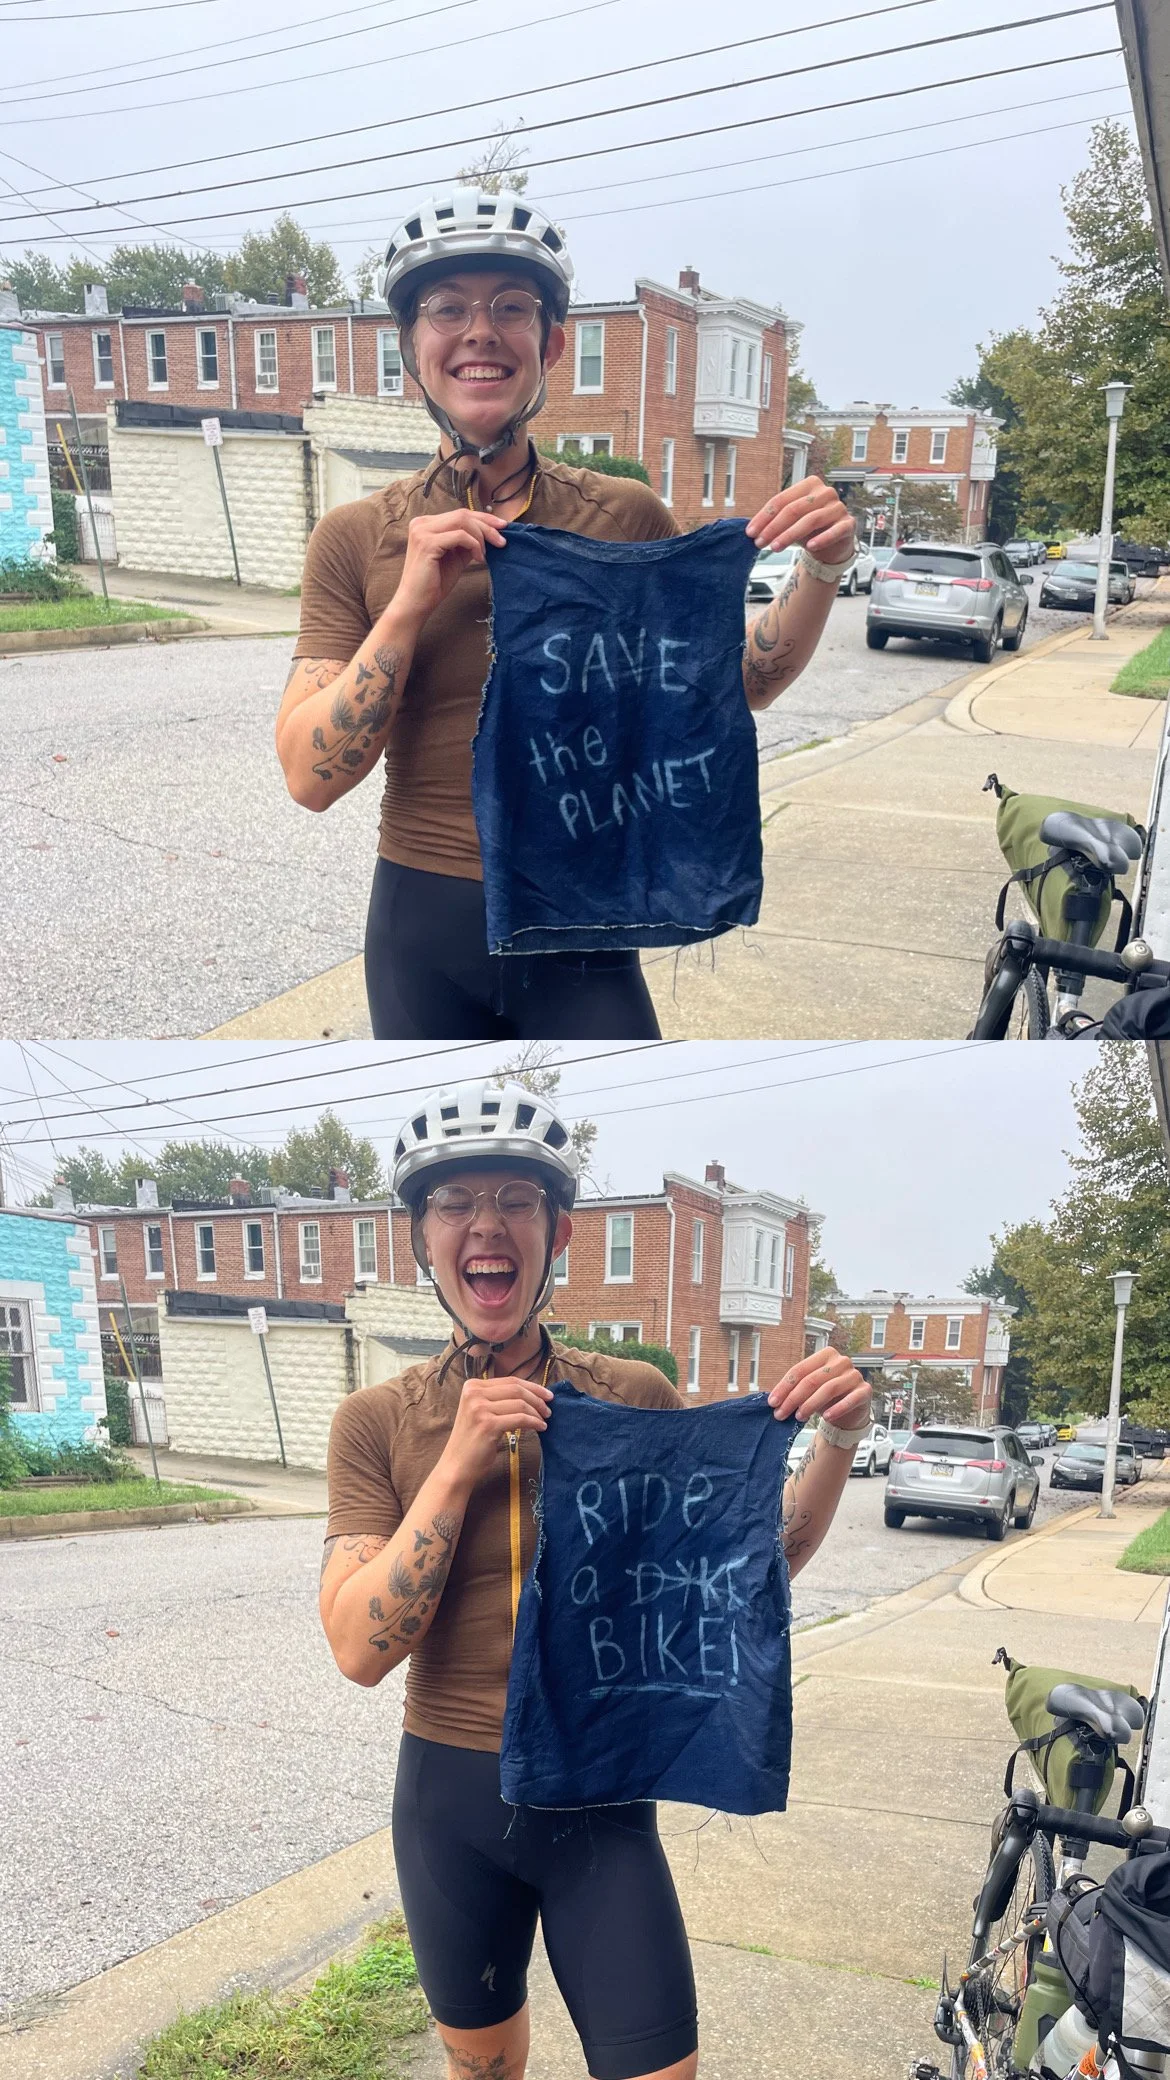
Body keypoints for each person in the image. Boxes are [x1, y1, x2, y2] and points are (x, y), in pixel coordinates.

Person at [319, 1078, 872, 2080]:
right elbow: (360, 1647)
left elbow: (750, 1566)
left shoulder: (632, 1395)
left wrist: (834, 1441)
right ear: (420, 1236)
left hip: (603, 1790)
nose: (485, 1222)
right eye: (454, 1202)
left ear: (558, 1231)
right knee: (484, 2068)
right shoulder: (378, 1420)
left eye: (515, 1201)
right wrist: (458, 1461)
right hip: (451, 1797)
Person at [277, 188, 857, 1042]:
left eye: (511, 308)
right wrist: (407, 606)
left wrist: (822, 566)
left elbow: (735, 688)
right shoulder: (355, 535)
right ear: (411, 353)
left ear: (550, 344)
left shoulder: (624, 516)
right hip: (421, 918)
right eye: (447, 309)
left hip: (585, 914)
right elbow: (308, 777)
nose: (480, 330)